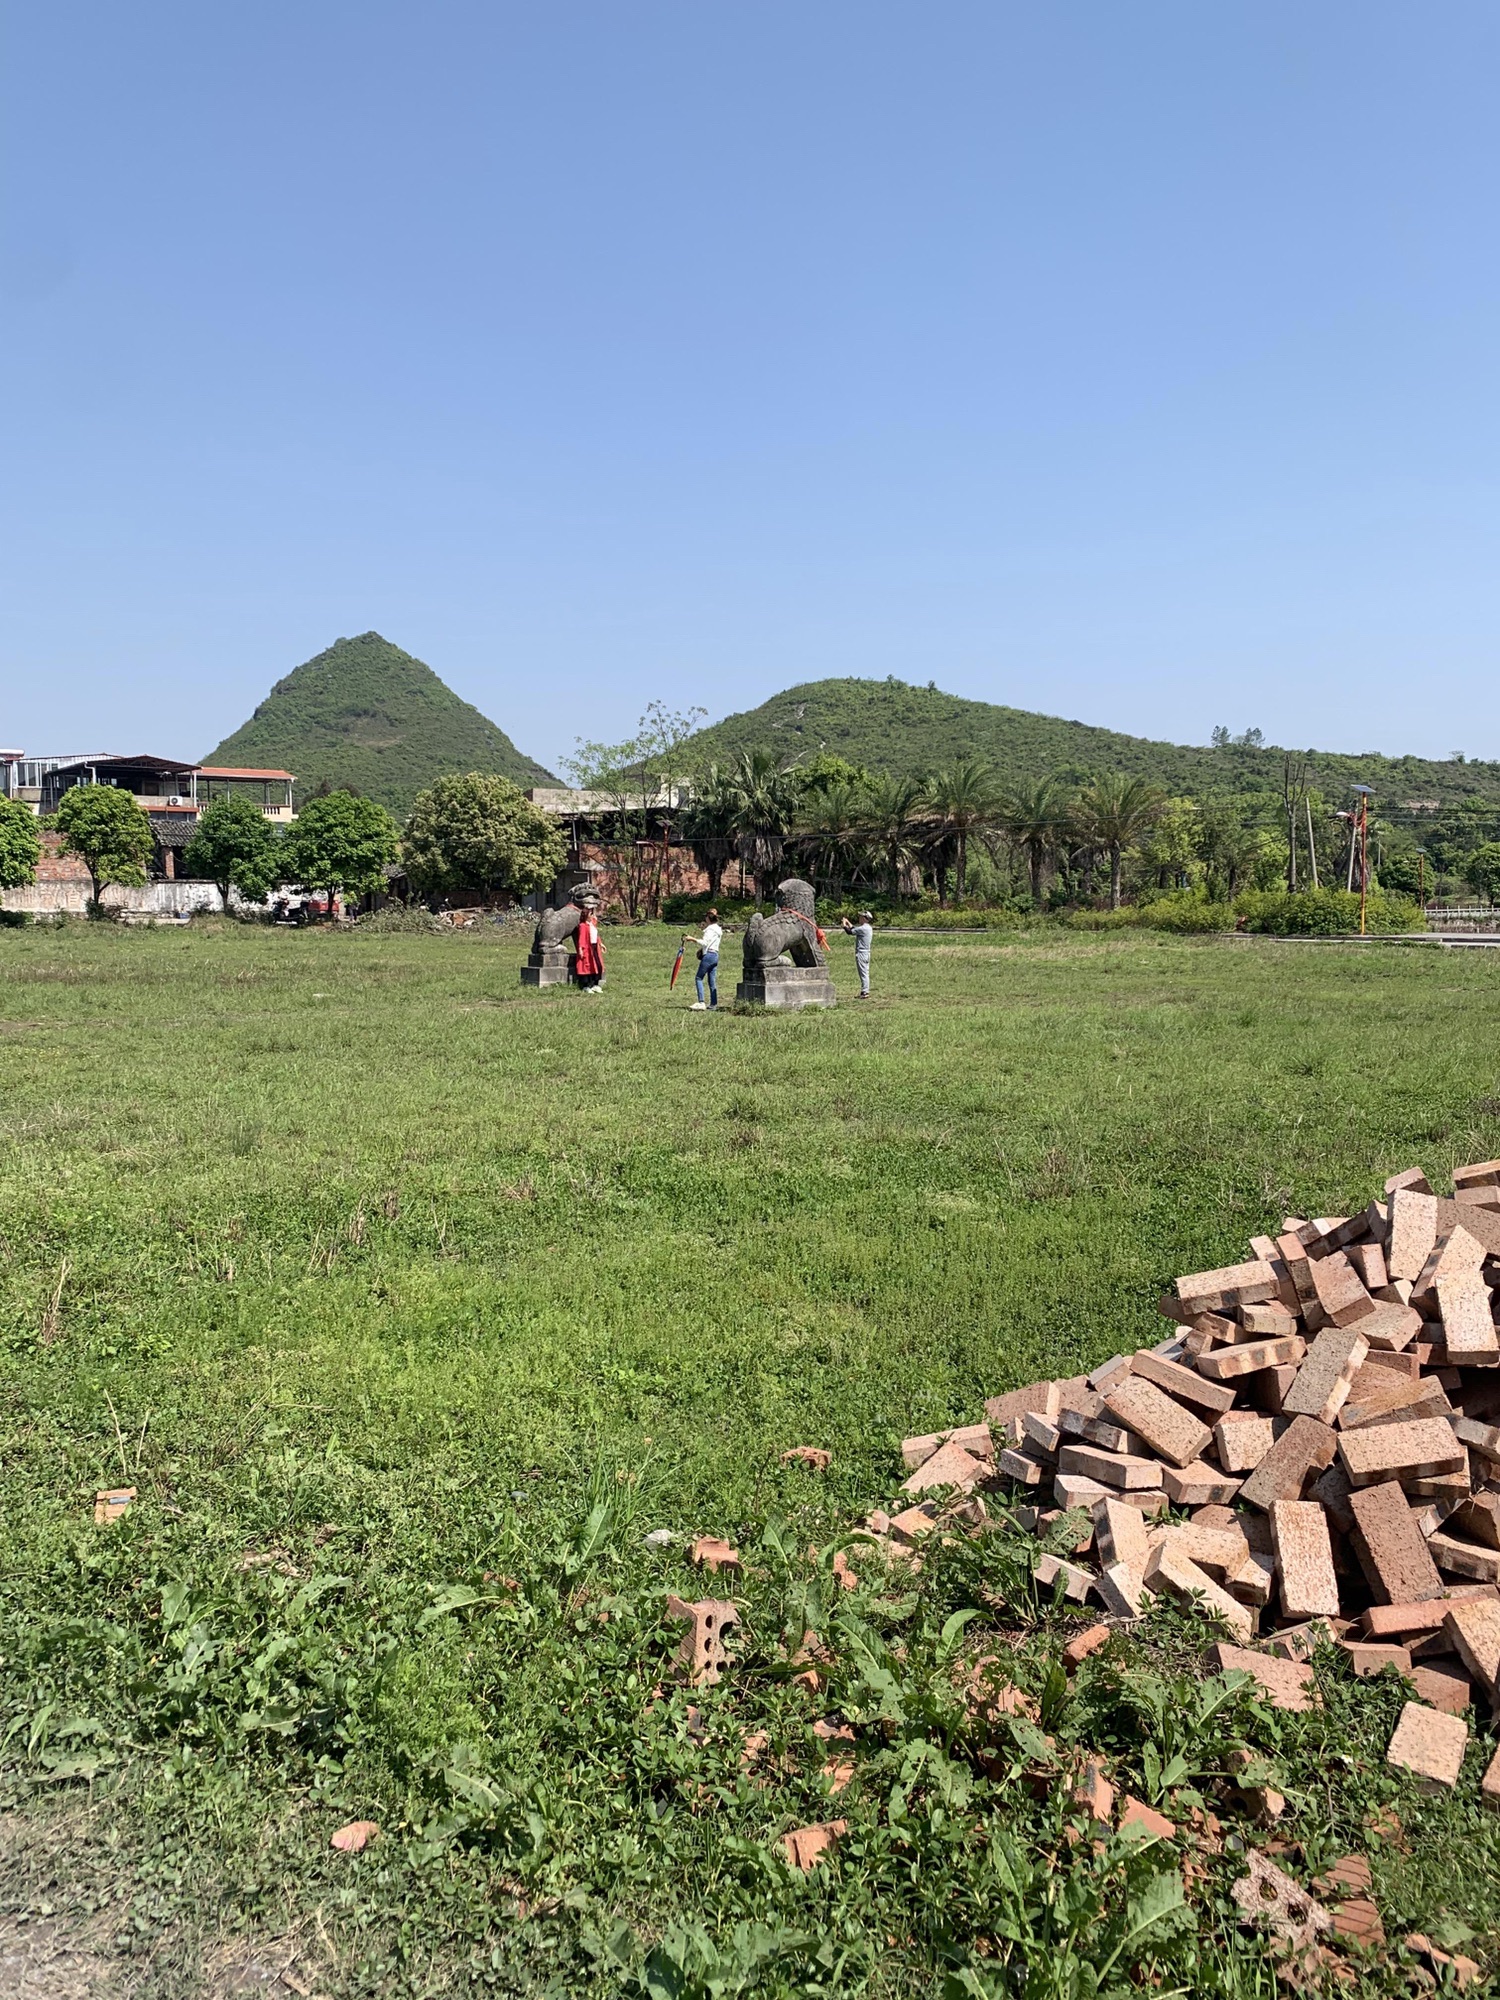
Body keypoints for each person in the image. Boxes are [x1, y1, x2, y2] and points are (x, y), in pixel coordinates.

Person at [684, 908, 722, 1010]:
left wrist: (692, 939)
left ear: (708, 919)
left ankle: (701, 1002)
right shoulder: (718, 929)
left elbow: (705, 942)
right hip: (715, 955)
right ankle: (713, 1004)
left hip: (708, 956)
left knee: (698, 978)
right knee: (712, 981)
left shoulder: (709, 930)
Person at [574, 901, 606, 992]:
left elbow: (596, 935)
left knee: (598, 965)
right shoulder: (583, 926)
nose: (592, 915)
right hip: (587, 948)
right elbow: (581, 938)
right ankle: (586, 986)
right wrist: (580, 948)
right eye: (590, 913)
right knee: (587, 966)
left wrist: (600, 944)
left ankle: (596, 984)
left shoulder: (592, 924)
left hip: (595, 947)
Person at [842, 909, 874, 997]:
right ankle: (865, 990)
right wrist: (848, 922)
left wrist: (844, 924)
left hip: (861, 953)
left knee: (863, 973)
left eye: (861, 917)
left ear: (865, 918)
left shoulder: (863, 928)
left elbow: (849, 932)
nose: (859, 918)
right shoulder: (867, 928)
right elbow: (854, 929)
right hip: (866, 953)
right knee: (865, 972)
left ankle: (865, 992)